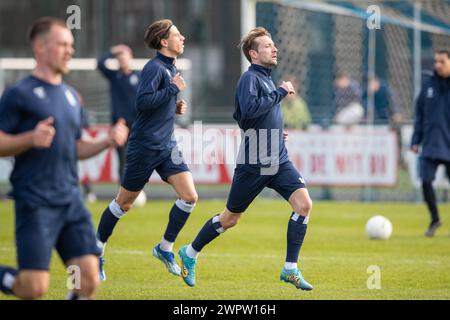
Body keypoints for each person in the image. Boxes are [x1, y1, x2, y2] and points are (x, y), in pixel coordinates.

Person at [0, 17, 129, 300]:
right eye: (62, 45)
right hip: (36, 201)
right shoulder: (18, 94)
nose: (70, 50)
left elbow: (75, 147)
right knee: (33, 288)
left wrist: (107, 142)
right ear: (40, 47)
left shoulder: (72, 97)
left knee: (87, 279)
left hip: (70, 201)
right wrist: (29, 139)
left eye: (71, 45)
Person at [178, 27, 313, 290]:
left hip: (278, 158)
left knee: (304, 205)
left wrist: (273, 133)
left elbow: (250, 117)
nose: (274, 49)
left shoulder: (265, 80)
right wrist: (281, 93)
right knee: (230, 219)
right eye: (267, 46)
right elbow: (248, 112)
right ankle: (190, 252)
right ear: (253, 54)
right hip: (255, 163)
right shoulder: (250, 79)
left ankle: (290, 269)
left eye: (273, 45)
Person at [96, 19, 198, 281]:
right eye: (177, 34)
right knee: (124, 204)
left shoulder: (169, 67)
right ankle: (96, 251)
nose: (182, 37)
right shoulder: (154, 67)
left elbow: (156, 103)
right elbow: (141, 103)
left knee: (189, 197)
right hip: (144, 147)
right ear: (164, 42)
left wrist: (172, 107)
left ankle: (165, 248)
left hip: (167, 145)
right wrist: (173, 89)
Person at [411, 49, 450, 237]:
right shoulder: (428, 86)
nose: (437, 65)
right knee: (426, 181)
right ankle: (435, 218)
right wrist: (415, 140)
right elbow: (419, 115)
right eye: (436, 61)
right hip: (432, 143)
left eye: (442, 61)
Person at [97, 43, 139, 183]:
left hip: (136, 125)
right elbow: (100, 63)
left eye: (124, 57)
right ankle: (123, 190)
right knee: (122, 159)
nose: (122, 61)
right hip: (119, 126)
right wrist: (113, 51)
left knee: (136, 159)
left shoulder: (139, 77)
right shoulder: (114, 77)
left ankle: (135, 188)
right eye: (119, 59)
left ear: (130, 58)